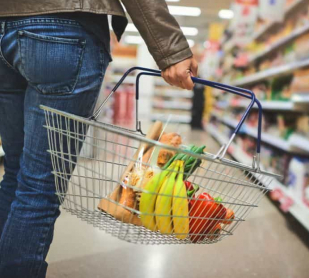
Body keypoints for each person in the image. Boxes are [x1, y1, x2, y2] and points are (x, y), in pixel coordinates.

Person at [0, 1, 198, 277]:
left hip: (4, 25)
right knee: (38, 186)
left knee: (15, 175)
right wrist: (172, 50)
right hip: (64, 29)